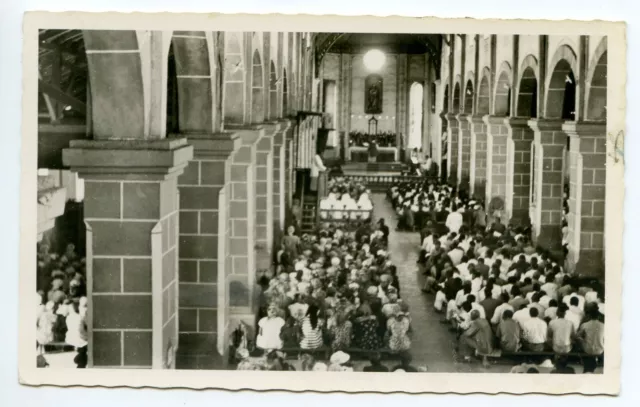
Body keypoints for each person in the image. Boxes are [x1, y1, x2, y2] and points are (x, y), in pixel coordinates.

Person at [577, 304, 605, 373]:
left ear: (589, 313)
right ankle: (600, 359)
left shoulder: (585, 321)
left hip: (588, 349)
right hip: (600, 349)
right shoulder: (603, 323)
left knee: (579, 338)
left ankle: (583, 359)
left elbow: (578, 334)